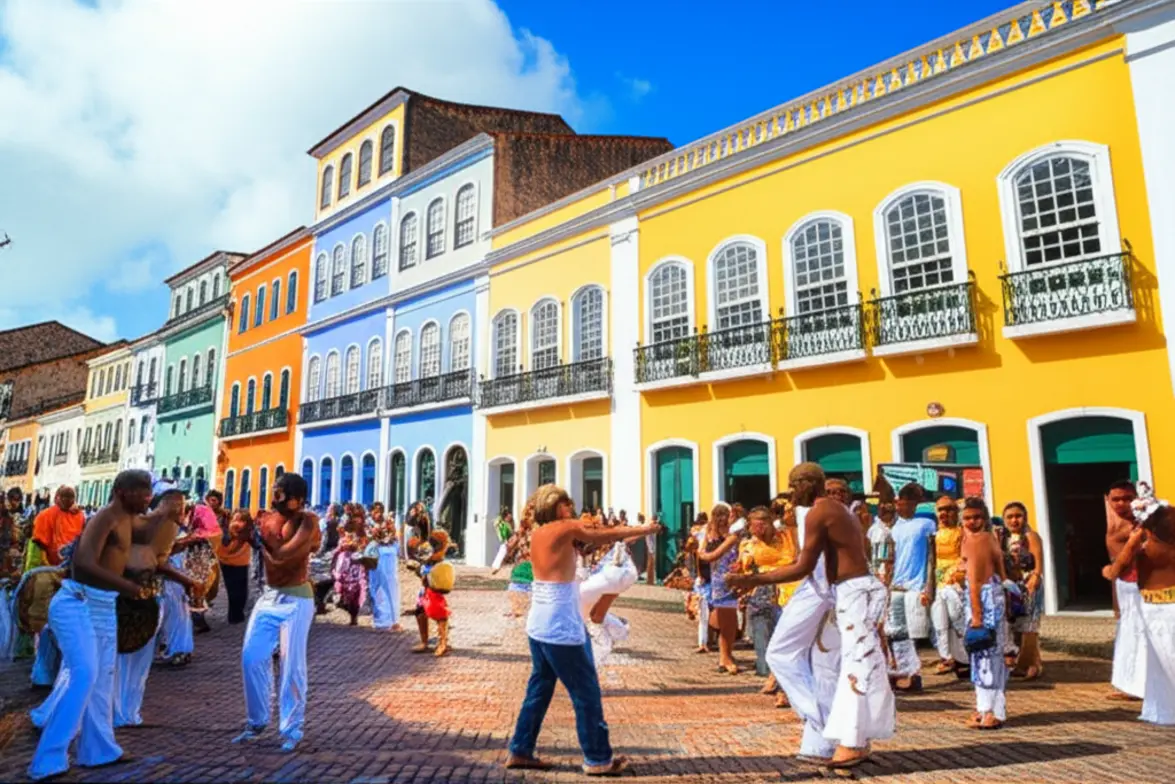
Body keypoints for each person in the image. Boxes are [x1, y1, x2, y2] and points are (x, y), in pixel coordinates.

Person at [728, 463, 893, 771]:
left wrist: (754, 580)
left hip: (853, 592)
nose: (792, 493)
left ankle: (852, 741)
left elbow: (804, 566)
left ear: (808, 483)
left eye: (795, 485)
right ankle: (829, 733)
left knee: (855, 666)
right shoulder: (835, 510)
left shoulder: (820, 512)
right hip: (844, 593)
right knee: (828, 664)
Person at [505, 484, 663, 775]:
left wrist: (635, 531)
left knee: (539, 689)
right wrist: (645, 528)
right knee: (585, 692)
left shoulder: (540, 532)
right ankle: (598, 759)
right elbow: (602, 534)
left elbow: (594, 539)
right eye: (567, 505)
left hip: (539, 622)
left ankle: (520, 749)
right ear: (556, 507)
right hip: (560, 623)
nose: (572, 510)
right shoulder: (564, 527)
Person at [27, 470, 153, 781]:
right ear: (123, 491)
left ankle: (99, 750)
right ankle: (48, 758)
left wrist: (142, 576)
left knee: (102, 680)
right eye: (143, 491)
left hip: (103, 606)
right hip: (77, 603)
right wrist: (130, 587)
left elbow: (117, 561)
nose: (148, 497)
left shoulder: (127, 521)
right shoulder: (105, 518)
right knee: (84, 673)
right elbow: (83, 563)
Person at [234, 472, 321, 752]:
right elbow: (231, 542)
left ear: (297, 500)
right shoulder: (266, 518)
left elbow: (286, 555)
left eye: (280, 493)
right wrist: (241, 533)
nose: (274, 497)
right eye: (274, 491)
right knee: (252, 656)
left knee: (291, 664)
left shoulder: (308, 521)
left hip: (297, 599)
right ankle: (257, 721)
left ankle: (292, 728)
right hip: (269, 596)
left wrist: (256, 541)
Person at [113, 481, 195, 728]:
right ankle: (119, 711)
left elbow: (159, 559)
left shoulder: (165, 527)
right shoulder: (146, 523)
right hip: (129, 596)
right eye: (177, 504)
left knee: (138, 658)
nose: (182, 510)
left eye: (183, 505)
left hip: (147, 596)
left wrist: (186, 577)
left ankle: (127, 712)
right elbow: (152, 560)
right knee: (124, 658)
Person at [738, 505, 797, 708]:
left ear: (767, 524)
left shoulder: (788, 537)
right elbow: (745, 569)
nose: (756, 532)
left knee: (785, 641)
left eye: (759, 527)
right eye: (753, 527)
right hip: (762, 592)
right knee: (764, 640)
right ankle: (774, 675)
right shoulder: (748, 545)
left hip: (789, 591)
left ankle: (783, 689)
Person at [27, 487, 85, 684]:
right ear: (56, 497)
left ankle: (54, 671)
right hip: (48, 574)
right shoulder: (45, 516)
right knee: (45, 623)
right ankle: (42, 672)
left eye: (72, 497)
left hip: (69, 575)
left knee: (61, 624)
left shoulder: (78, 517)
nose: (69, 501)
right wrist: (50, 570)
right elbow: (41, 547)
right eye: (65, 497)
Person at [960, 497, 1008, 730]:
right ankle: (988, 707)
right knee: (989, 656)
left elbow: (975, 582)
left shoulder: (978, 541)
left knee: (985, 657)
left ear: (985, 518)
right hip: (991, 599)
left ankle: (990, 710)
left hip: (984, 602)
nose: (972, 522)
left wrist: (977, 616)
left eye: (976, 517)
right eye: (968, 517)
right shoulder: (988, 538)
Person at [886, 483, 935, 691]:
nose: (900, 507)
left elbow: (932, 557)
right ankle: (903, 671)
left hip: (916, 587)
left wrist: (929, 587)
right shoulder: (893, 528)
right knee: (896, 632)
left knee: (916, 633)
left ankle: (915, 674)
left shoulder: (926, 524)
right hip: (896, 587)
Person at [1105, 480, 1145, 701]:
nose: (1121, 503)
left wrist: (1112, 570)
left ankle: (1142, 685)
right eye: (1116, 499)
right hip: (1124, 585)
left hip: (1144, 585)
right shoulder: (1114, 524)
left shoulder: (1143, 525)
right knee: (1127, 633)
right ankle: (1128, 684)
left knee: (1143, 633)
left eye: (1127, 498)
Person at [698, 502, 744, 674]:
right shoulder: (725, 535)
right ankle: (725, 657)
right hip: (722, 581)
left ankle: (725, 657)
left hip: (726, 580)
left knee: (728, 622)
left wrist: (704, 555)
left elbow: (706, 554)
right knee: (728, 623)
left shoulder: (726, 536)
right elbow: (708, 554)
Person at [1002, 501, 1044, 680]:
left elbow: (1038, 563)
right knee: (1015, 625)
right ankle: (1025, 663)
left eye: (1018, 516)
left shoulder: (1031, 536)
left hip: (1029, 584)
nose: (1014, 520)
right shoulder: (1004, 539)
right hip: (1013, 586)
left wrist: (1034, 578)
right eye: (1009, 517)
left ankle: (1030, 665)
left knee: (1029, 625)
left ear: (1025, 517)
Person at [930, 495, 967, 675]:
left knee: (957, 619)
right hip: (937, 582)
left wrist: (955, 574)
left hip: (955, 582)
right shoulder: (933, 534)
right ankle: (946, 657)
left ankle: (965, 658)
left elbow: (964, 557)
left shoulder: (962, 533)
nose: (944, 513)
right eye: (941, 510)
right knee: (939, 622)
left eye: (949, 509)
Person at [332, 504, 369, 626]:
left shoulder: (364, 531)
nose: (357, 520)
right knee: (343, 588)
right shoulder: (345, 529)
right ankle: (347, 609)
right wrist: (343, 547)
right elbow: (340, 543)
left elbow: (366, 546)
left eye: (359, 517)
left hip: (357, 564)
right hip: (345, 564)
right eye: (355, 517)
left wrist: (356, 547)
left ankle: (354, 616)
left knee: (357, 589)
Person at [217, 508, 254, 624]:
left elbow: (256, 543)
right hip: (226, 562)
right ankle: (234, 616)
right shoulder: (227, 531)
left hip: (242, 562)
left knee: (242, 591)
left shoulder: (248, 532)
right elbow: (225, 542)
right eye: (235, 519)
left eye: (241, 520)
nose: (237, 522)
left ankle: (238, 614)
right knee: (232, 591)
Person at [368, 514, 402, 632]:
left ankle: (394, 621)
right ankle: (380, 620)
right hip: (378, 571)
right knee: (377, 593)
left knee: (392, 594)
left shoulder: (395, 542)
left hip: (391, 573)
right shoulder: (374, 543)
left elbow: (400, 552)